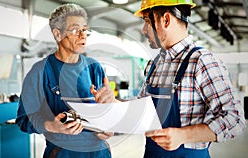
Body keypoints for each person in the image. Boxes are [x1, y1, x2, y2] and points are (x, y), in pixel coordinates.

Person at [91, 0, 246, 157]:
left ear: (165, 20)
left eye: (146, 22)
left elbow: (235, 118)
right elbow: (142, 114)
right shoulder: (154, 64)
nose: (144, 30)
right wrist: (113, 104)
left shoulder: (202, 61)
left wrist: (183, 135)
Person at [16, 3, 111, 158]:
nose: (82, 36)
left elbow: (108, 112)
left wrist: (109, 128)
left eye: (85, 30)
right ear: (57, 34)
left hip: (99, 152)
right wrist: (51, 126)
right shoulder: (40, 72)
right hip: (62, 153)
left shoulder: (95, 68)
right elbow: (24, 119)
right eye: (75, 30)